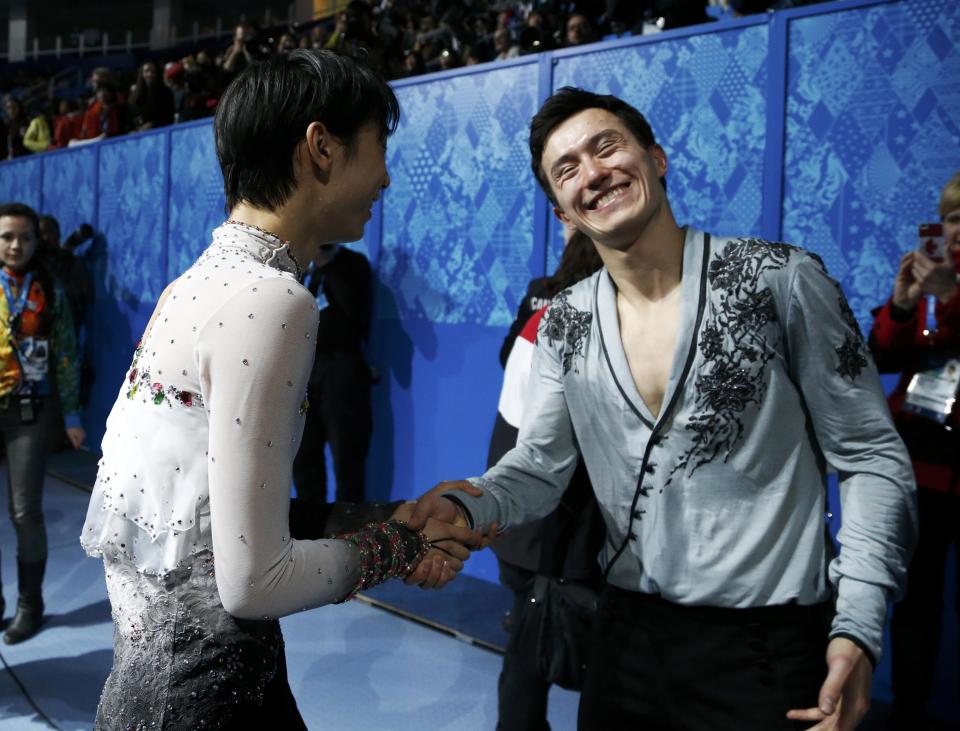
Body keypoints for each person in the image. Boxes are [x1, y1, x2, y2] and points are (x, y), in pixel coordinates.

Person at [411, 87, 917, 730]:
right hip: (625, 645)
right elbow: (539, 467)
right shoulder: (564, 323)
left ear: (656, 158)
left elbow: (871, 456)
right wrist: (465, 505)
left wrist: (860, 624)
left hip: (767, 648)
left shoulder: (780, 281)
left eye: (606, 147)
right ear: (563, 213)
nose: (592, 173)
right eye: (566, 170)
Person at [80, 50, 481, 730]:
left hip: (168, 691)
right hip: (208, 702)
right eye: (379, 149)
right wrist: (404, 549)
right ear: (321, 147)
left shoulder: (194, 285)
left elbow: (213, 527)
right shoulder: (273, 300)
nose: (385, 177)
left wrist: (389, 515)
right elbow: (253, 579)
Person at [492, 230, 605, 731]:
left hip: (523, 527)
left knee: (524, 653)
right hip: (557, 531)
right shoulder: (585, 326)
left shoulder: (540, 318)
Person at [868, 172, 960, 728]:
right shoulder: (932, 284)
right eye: (952, 218)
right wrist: (904, 306)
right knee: (916, 603)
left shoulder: (948, 290)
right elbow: (880, 357)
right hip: (922, 467)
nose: (957, 230)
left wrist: (950, 297)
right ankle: (906, 712)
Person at [0, 202, 85, 644]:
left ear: (37, 241)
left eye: (24, 237)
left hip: (29, 414)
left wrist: (72, 415)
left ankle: (29, 605)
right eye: (7, 237)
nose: (15, 245)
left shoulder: (48, 290)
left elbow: (67, 353)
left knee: (24, 511)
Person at [292, 243, 374, 504]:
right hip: (304, 370)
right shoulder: (301, 267)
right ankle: (309, 526)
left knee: (347, 455)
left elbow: (355, 311)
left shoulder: (352, 264)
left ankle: (348, 531)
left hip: (342, 370)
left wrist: (328, 263)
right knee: (304, 455)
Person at [128, 61, 175, 131]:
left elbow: (169, 116)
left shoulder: (165, 92)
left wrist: (153, 124)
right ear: (142, 74)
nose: (150, 74)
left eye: (153, 71)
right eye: (147, 71)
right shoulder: (135, 94)